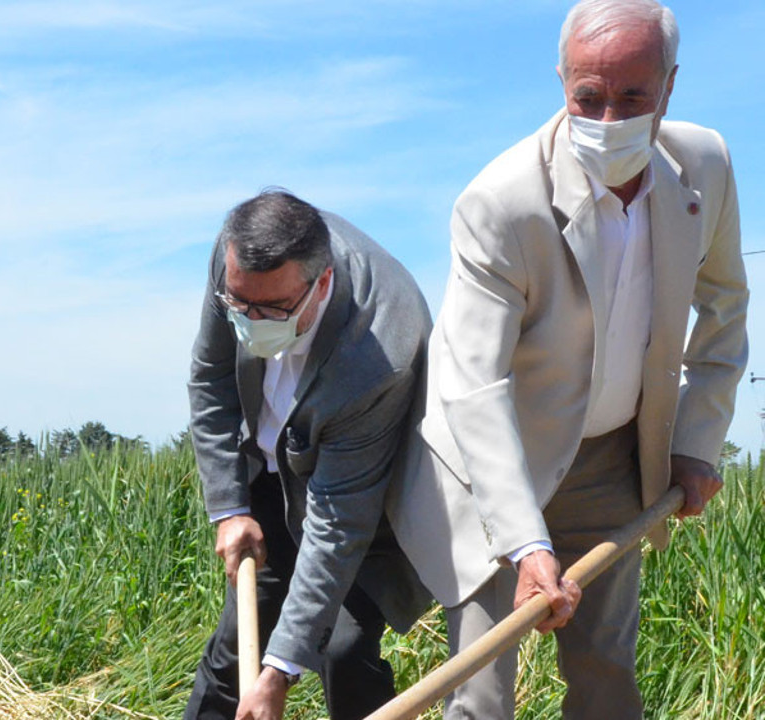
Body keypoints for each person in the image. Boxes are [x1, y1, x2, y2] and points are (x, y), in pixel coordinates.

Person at [386, 1, 748, 717]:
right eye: (588, 96)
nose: (608, 119)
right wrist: (525, 543)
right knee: (482, 690)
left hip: (612, 459)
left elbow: (725, 307)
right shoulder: (501, 204)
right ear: (561, 81)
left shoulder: (704, 166)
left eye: (633, 97)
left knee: (606, 671)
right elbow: (473, 385)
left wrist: (696, 443)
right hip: (491, 467)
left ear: (670, 86)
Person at [184, 190, 432, 720]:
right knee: (237, 649)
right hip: (273, 474)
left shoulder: (378, 352)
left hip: (362, 499)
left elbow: (337, 524)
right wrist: (231, 509)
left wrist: (278, 674)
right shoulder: (235, 260)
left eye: (271, 310)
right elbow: (210, 379)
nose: (251, 322)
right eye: (239, 305)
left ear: (321, 284)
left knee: (342, 651)